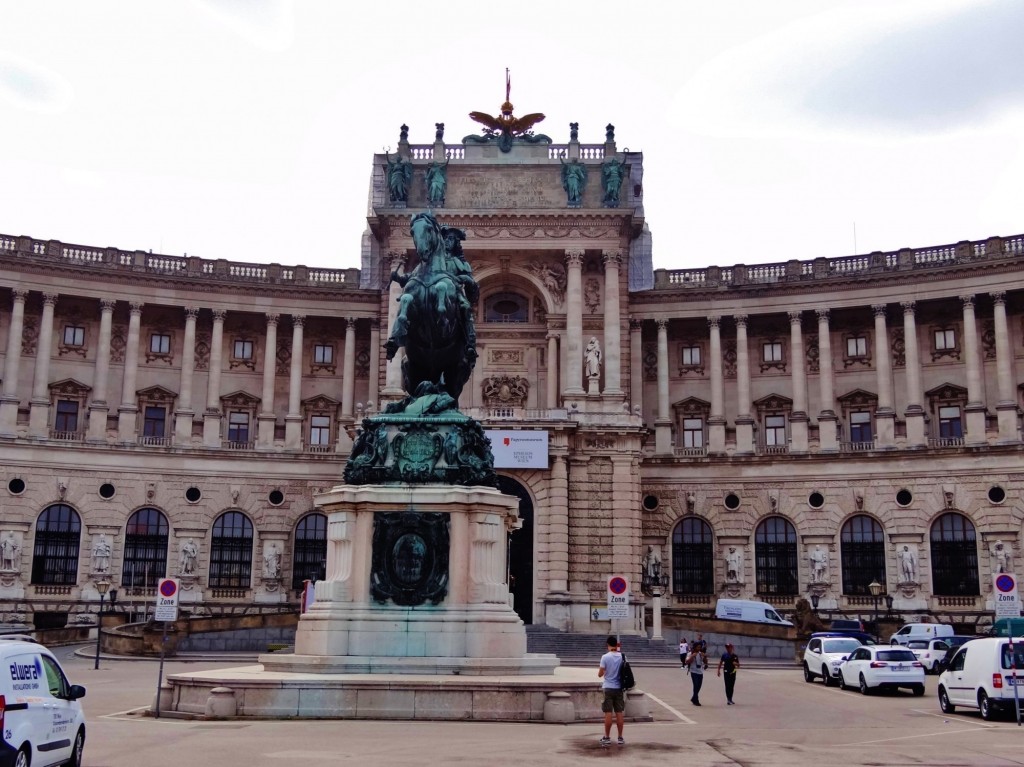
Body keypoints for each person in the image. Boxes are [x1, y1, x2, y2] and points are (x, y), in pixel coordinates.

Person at [597, 635, 626, 747]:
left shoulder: (605, 657)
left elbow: (600, 674)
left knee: (608, 713)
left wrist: (605, 672)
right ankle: (620, 737)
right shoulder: (622, 657)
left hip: (608, 687)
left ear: (608, 645)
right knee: (619, 713)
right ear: (616, 645)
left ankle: (607, 737)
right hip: (619, 687)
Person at [686, 640, 708, 705]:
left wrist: (705, 657)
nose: (699, 648)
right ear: (695, 647)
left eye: (700, 647)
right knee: (695, 685)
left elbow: (705, 662)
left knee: (699, 686)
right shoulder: (690, 653)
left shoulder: (700, 654)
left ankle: (693, 697)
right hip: (693, 671)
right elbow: (686, 662)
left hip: (700, 672)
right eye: (698, 647)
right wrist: (692, 656)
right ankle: (696, 700)